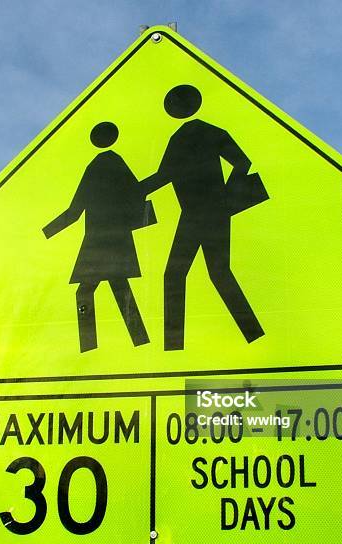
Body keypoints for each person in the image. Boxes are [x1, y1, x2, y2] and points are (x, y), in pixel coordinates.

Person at [142, 84, 265, 351]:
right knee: (213, 273)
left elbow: (164, 176)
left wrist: (225, 196)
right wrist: (226, 197)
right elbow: (242, 163)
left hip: (203, 213)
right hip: (202, 214)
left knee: (180, 275)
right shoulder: (200, 134)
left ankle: (175, 346)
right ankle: (252, 335)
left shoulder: (189, 136)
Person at [43, 121, 150, 352]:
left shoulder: (97, 167)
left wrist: (47, 232)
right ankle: (140, 341)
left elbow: (74, 212)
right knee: (118, 288)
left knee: (87, 292)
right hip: (112, 239)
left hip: (99, 243)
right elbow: (137, 192)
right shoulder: (114, 163)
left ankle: (90, 347)